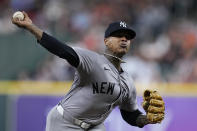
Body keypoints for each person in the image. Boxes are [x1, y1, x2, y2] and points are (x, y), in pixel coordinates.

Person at [12, 11, 164, 131]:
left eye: (128, 37)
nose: (124, 39)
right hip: (65, 123)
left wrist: (146, 119)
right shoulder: (92, 61)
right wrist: (32, 28)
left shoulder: (128, 81)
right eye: (118, 35)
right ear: (106, 41)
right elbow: (63, 50)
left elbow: (129, 113)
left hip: (94, 127)